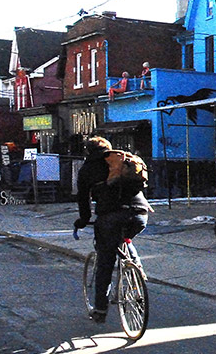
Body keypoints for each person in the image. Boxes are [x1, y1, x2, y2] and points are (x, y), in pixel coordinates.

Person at [74, 136, 149, 323]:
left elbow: (83, 199)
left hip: (111, 216)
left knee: (105, 261)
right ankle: (136, 268)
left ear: (87, 151)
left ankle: (100, 310)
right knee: (124, 238)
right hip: (140, 213)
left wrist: (83, 220)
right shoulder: (122, 161)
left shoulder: (88, 168)